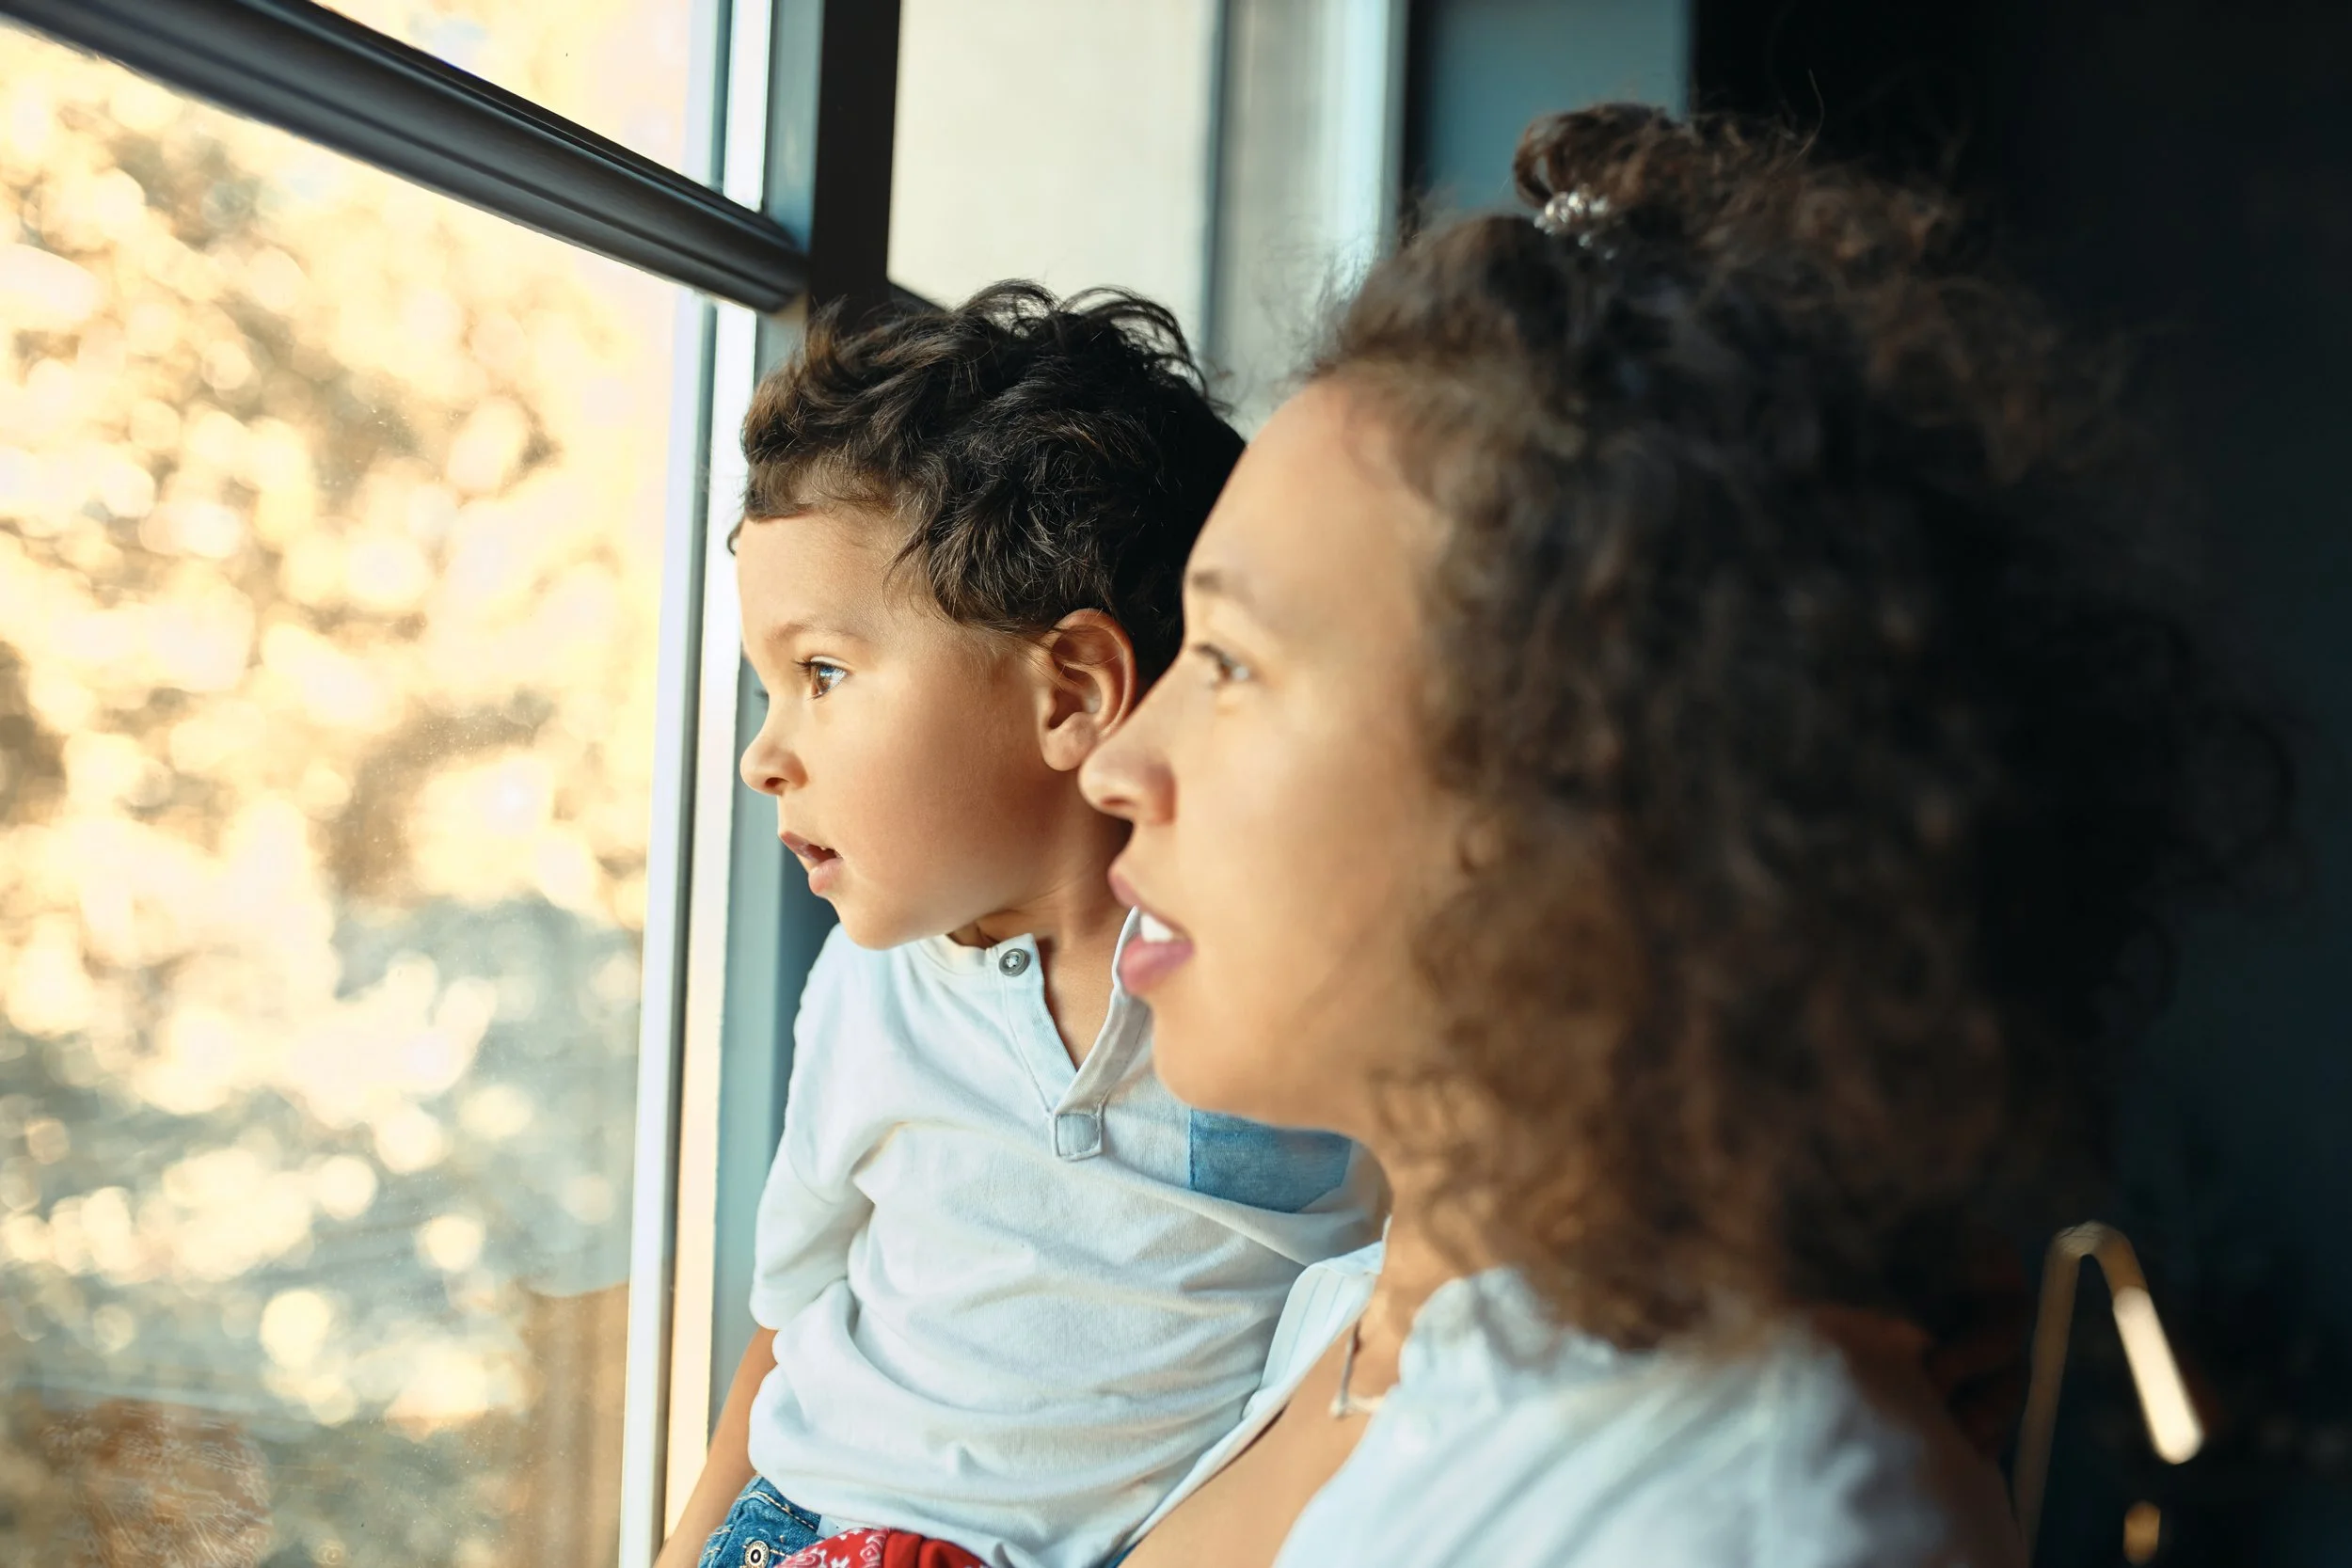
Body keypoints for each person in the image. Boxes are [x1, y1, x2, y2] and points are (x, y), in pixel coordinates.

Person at [1081, 105, 2286, 1566]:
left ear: (1575, 790)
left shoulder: (1756, 1526)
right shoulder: (1363, 1318)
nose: (1115, 761)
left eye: (1229, 661)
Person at [655, 285, 1383, 1568]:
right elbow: (792, 1315)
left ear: (1073, 692)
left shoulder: (1286, 989)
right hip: (815, 1532)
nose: (765, 753)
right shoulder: (866, 989)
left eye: (819, 673)